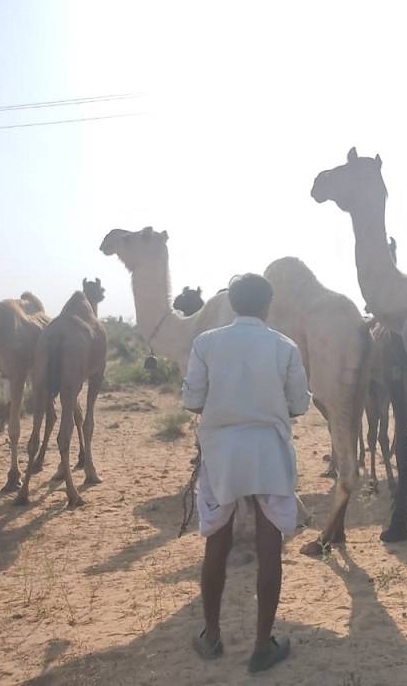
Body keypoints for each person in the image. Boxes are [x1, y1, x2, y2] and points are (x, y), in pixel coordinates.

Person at [182, 272, 310, 673]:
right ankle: (261, 645)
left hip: (221, 455)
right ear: (267, 305)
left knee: (216, 544)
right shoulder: (284, 347)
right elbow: (300, 405)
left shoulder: (206, 343)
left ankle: (212, 635)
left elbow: (192, 399)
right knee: (270, 550)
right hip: (269, 453)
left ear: (233, 304)